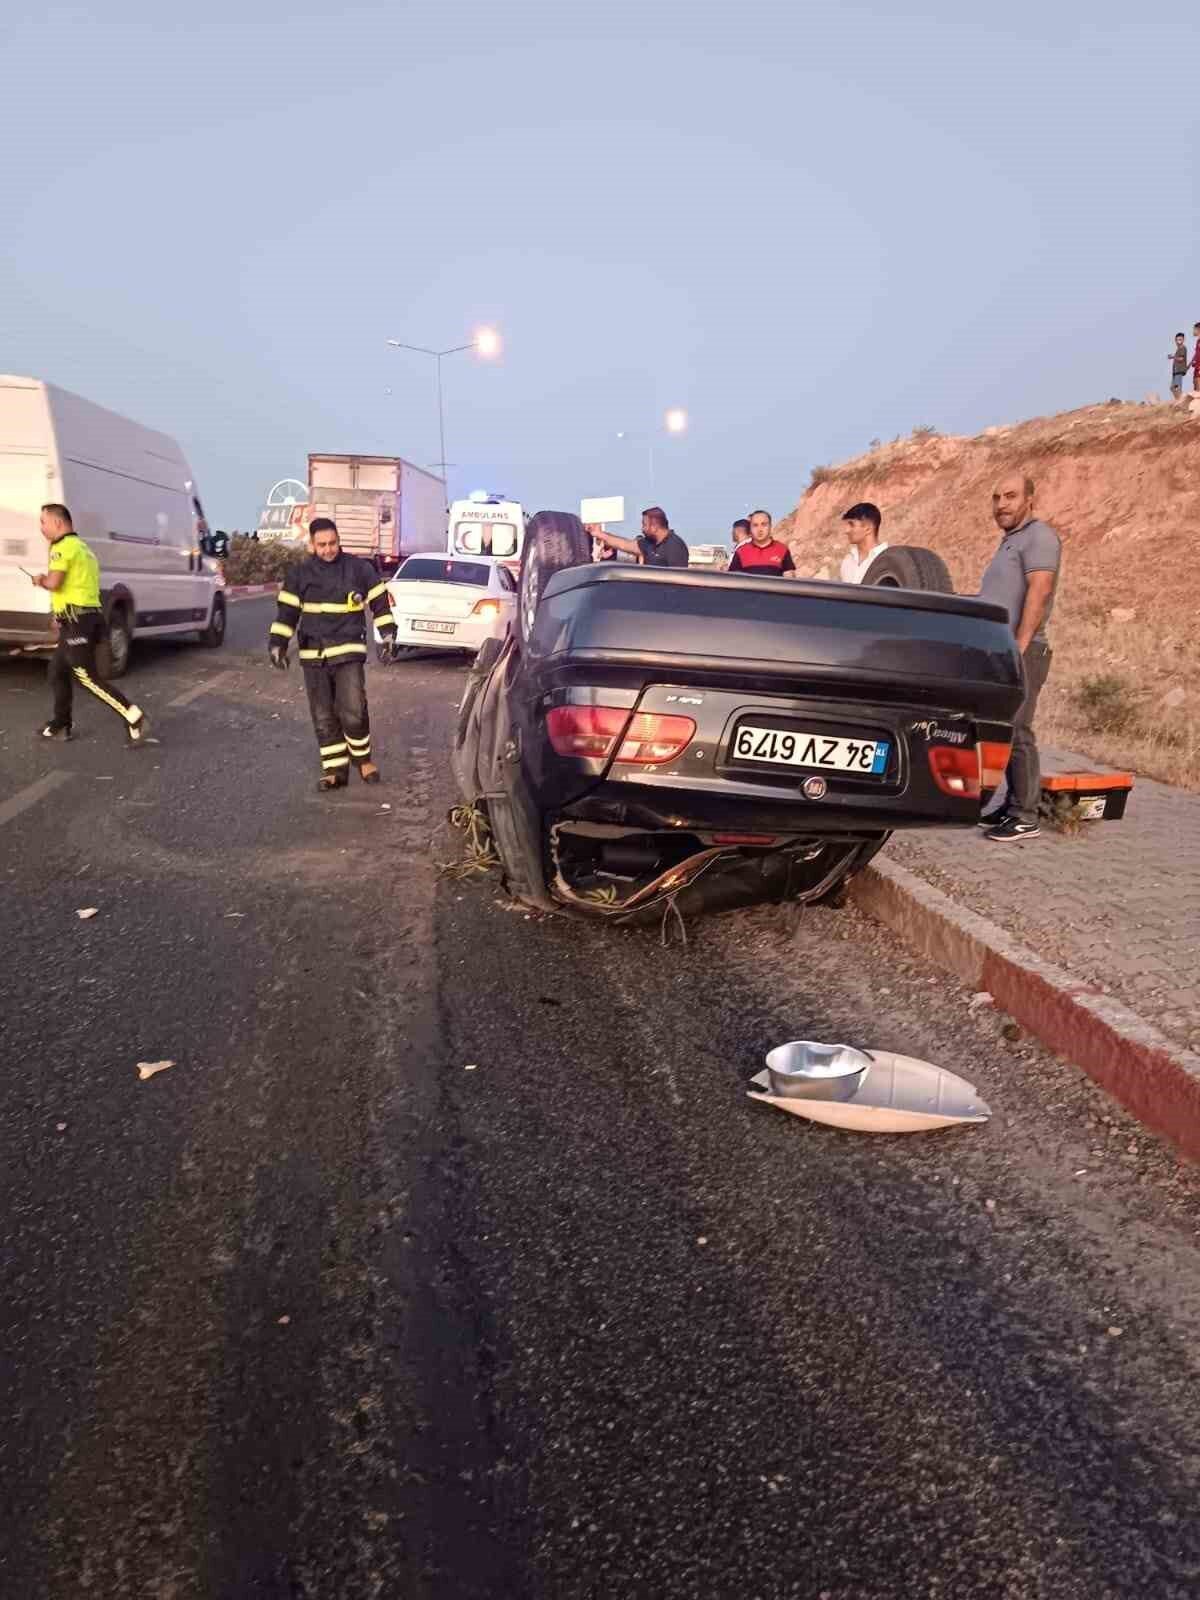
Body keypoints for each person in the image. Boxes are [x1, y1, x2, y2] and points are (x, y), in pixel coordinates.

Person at [268, 517, 399, 791]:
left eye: (333, 543)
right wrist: (277, 643)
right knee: (323, 715)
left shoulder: (359, 569)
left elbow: (380, 603)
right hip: (314, 654)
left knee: (353, 710)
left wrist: (387, 634)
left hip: (348, 650)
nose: (328, 549)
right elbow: (287, 613)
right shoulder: (299, 574)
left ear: (339, 540)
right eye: (322, 545)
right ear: (312, 545)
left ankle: (363, 760)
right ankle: (335, 770)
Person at [977, 474, 1061, 843]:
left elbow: (1039, 591)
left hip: (1023, 649)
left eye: (1010, 496)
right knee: (1004, 729)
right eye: (996, 497)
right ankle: (1011, 804)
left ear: (1030, 498)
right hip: (1002, 649)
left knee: (1018, 729)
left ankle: (1026, 815)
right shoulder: (1011, 541)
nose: (1002, 505)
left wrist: (1020, 644)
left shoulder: (1040, 536)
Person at [32, 503, 149, 745]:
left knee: (87, 678)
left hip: (79, 623)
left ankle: (132, 715)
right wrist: (60, 615)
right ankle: (60, 725)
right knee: (57, 671)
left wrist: (40, 580)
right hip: (85, 618)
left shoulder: (61, 547)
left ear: (57, 523)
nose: (41, 528)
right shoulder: (84, 548)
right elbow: (79, 588)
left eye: (43, 522)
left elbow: (55, 582)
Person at [591, 507, 689, 568]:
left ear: (654, 527)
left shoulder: (675, 546)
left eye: (644, 525)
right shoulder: (649, 543)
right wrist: (599, 534)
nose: (642, 529)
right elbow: (624, 544)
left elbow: (678, 581)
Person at [727, 509, 795, 576]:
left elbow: (790, 580)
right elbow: (733, 580)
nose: (759, 529)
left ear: (770, 526)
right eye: (755, 525)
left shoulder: (782, 549)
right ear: (750, 528)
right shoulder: (740, 551)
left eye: (764, 524)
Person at [839, 503, 888, 583]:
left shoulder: (887, 559)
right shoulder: (848, 561)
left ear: (868, 529)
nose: (846, 531)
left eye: (852, 524)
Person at [1169, 333, 1190, 399]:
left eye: (1180, 339)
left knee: (1177, 387)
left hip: (1179, 370)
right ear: (1175, 340)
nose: (1178, 341)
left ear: (1183, 340)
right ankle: (1178, 399)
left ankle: (1180, 399)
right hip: (1175, 371)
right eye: (1177, 340)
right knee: (1172, 387)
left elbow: (1181, 359)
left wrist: (1173, 357)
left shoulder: (1183, 348)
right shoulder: (1178, 349)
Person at [1192, 323, 1200, 393]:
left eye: (1194, 329)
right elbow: (1196, 353)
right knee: (1195, 383)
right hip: (1196, 367)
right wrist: (1189, 365)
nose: (1193, 331)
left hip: (1199, 367)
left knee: (1198, 385)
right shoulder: (1198, 341)